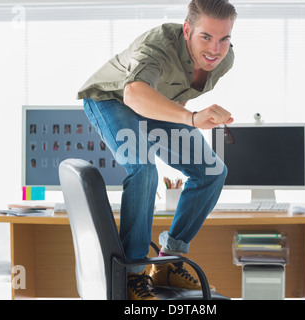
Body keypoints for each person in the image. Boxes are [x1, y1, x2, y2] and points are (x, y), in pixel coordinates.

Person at [77, 0, 237, 300]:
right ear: (187, 30)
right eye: (206, 37)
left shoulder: (224, 61)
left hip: (155, 108)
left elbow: (176, 92)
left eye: (224, 39)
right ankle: (133, 275)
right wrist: (191, 120)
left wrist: (185, 119)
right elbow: (135, 93)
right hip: (111, 100)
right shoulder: (157, 47)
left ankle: (168, 260)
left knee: (212, 171)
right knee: (144, 170)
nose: (215, 49)